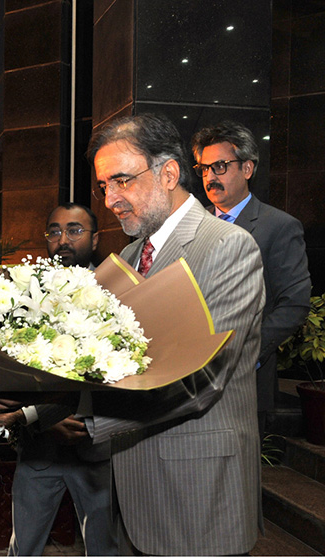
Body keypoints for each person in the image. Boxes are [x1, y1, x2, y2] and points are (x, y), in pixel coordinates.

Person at [84, 113, 264, 555]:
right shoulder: (127, 255)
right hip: (130, 490)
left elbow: (202, 379)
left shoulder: (227, 246)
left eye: (122, 180)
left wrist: (86, 424)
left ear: (168, 173)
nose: (110, 199)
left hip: (196, 493)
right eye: (104, 186)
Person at [0, 203, 118, 556]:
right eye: (54, 231)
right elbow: (10, 371)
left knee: (105, 548)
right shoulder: (23, 296)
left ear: (95, 238)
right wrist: (41, 420)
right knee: (24, 548)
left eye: (74, 230)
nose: (62, 239)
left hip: (96, 448)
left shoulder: (119, 291)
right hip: (40, 448)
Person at [191, 121, 311, 440]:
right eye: (203, 169)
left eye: (219, 166)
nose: (210, 177)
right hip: (186, 378)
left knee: (235, 483)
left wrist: (244, 353)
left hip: (245, 380)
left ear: (247, 168)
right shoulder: (191, 225)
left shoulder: (279, 226)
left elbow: (294, 304)